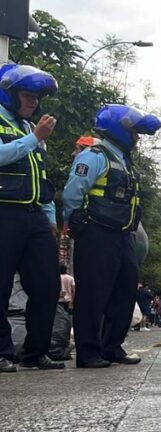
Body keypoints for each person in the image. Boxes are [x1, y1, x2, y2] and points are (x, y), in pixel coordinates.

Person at [64, 104, 161, 368]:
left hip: (123, 236)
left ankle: (112, 346)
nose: (138, 138)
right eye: (135, 133)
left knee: (124, 291)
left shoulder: (123, 160)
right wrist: (74, 221)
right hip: (97, 233)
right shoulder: (95, 156)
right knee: (93, 294)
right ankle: (88, 352)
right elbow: (74, 191)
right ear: (121, 130)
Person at [0, 64, 64, 372]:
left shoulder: (30, 129)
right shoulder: (19, 127)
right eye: (27, 96)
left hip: (35, 213)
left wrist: (50, 217)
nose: (33, 103)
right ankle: (2, 351)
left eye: (37, 98)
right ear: (9, 94)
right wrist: (34, 137)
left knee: (46, 284)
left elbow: (41, 175)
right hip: (4, 210)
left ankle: (35, 350)